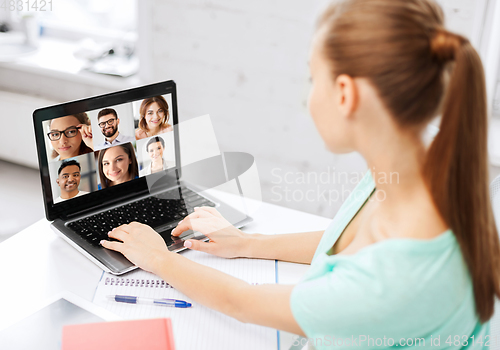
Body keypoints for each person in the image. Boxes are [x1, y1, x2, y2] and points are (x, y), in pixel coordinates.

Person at [100, 0, 500, 346]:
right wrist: (248, 243)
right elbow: (342, 241)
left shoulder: (388, 281)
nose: (307, 96)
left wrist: (159, 258)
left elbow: (240, 303)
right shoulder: (424, 157)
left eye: (313, 79)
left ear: (345, 93)